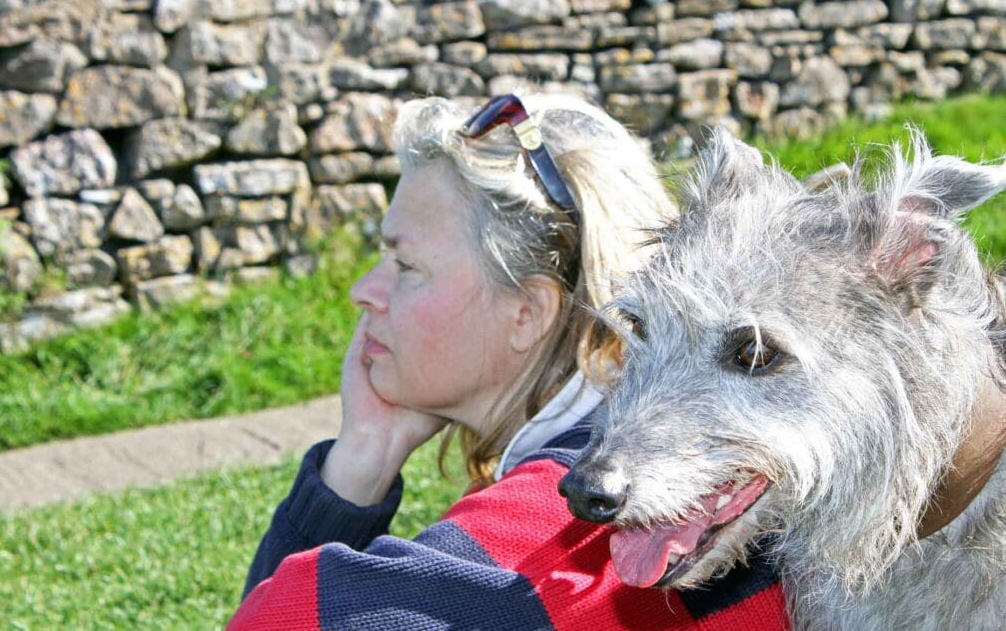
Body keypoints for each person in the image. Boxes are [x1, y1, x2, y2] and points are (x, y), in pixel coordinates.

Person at [228, 93, 788, 630]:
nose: (362, 291)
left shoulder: (583, 505)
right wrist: (368, 449)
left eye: (405, 264)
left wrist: (353, 466)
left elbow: (271, 619)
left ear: (528, 313)